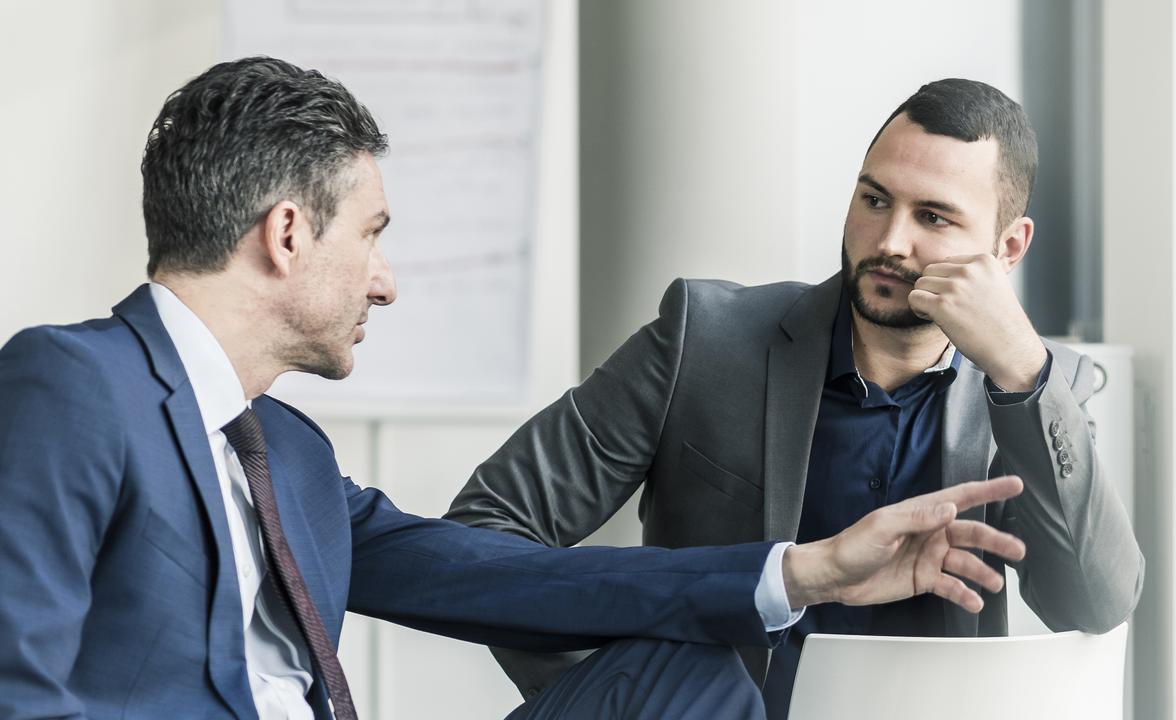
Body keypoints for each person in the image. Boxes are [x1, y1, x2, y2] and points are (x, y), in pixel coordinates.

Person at [0, 57, 1028, 720]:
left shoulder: (294, 460)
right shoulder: (76, 384)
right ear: (285, 235)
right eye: (373, 237)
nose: (387, 281)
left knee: (692, 678)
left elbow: (514, 578)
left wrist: (802, 574)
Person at [446, 78, 1143, 716]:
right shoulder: (705, 341)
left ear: (1008, 247)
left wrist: (1025, 372)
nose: (889, 241)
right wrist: (617, 691)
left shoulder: (1034, 393)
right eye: (875, 200)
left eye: (933, 218)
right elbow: (488, 528)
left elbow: (1095, 600)